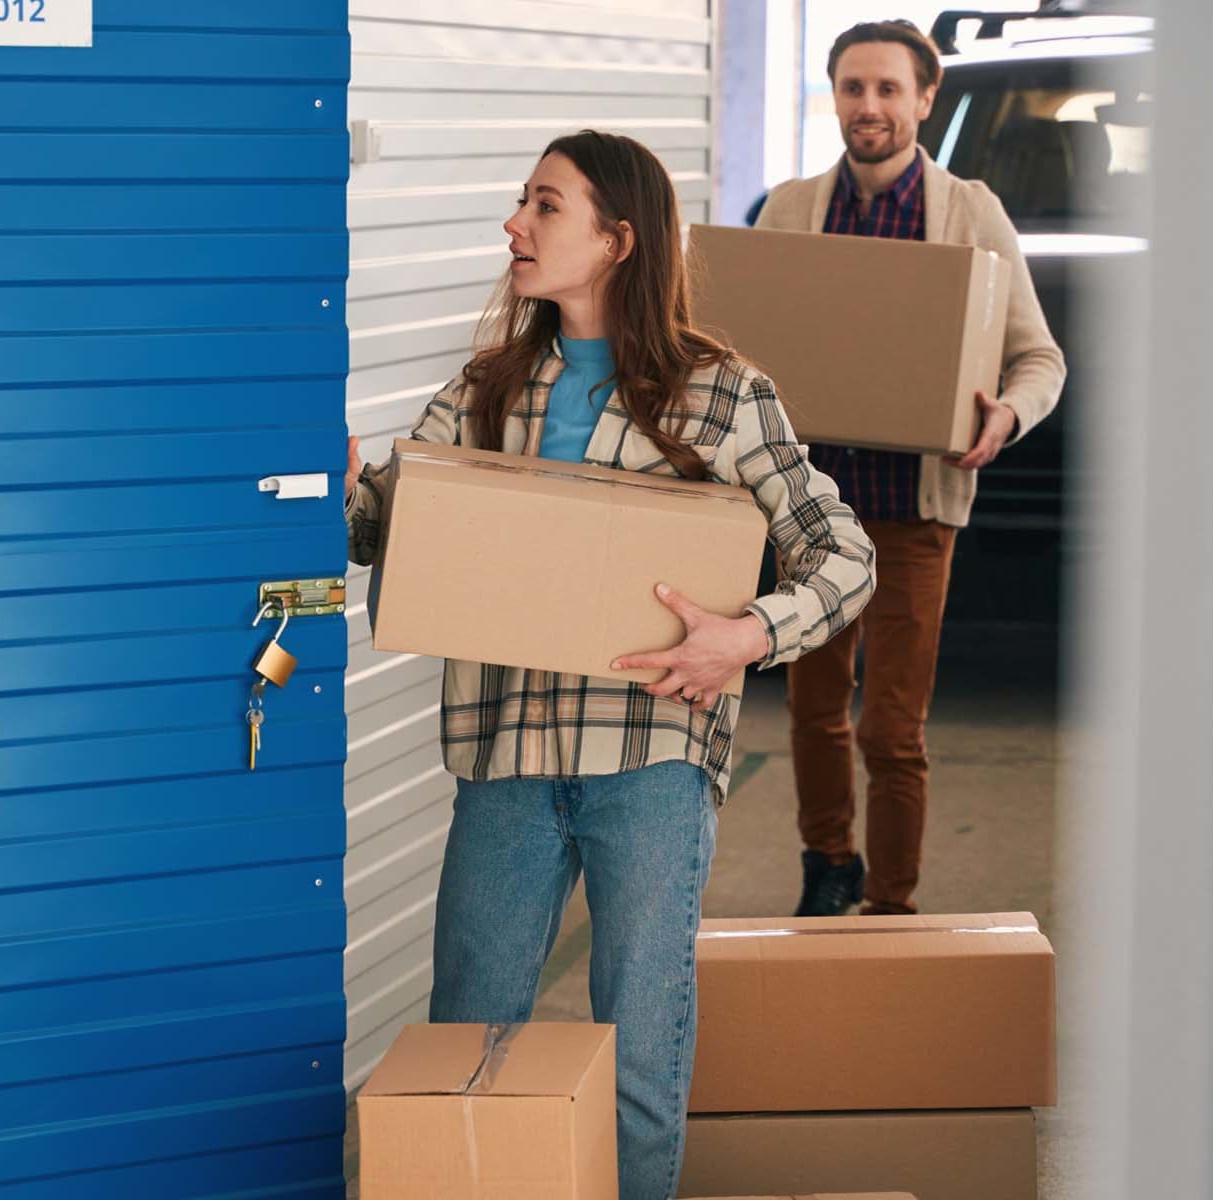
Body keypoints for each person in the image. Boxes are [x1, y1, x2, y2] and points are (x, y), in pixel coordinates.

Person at [343, 130, 874, 1200]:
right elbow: (385, 530)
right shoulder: (486, 390)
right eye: (521, 203)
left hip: (648, 763)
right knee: (466, 1048)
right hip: (502, 759)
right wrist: (338, 480)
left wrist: (748, 633)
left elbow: (844, 556)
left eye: (543, 206)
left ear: (617, 238)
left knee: (637, 1048)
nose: (514, 225)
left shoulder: (720, 395)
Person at [754, 20, 1066, 917]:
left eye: (889, 90)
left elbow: (1038, 358)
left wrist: (1007, 414)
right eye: (854, 88)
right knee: (812, 714)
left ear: (925, 100)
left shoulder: (971, 215)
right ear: (835, 96)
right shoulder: (791, 211)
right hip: (811, 514)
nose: (870, 107)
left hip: (914, 512)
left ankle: (892, 906)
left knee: (890, 729)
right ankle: (829, 866)